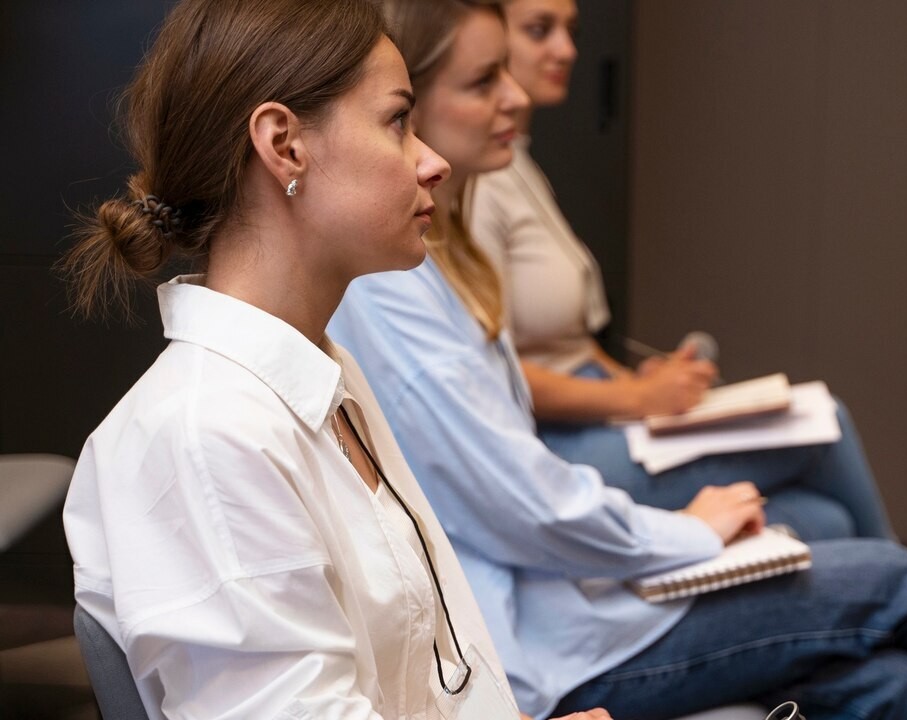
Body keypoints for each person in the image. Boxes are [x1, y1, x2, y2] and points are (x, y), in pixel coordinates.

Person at [328, 1, 907, 718]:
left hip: (561, 595)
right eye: (484, 80)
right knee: (896, 574)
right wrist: (687, 532)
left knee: (893, 681)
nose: (520, 95)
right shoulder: (390, 285)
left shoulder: (451, 247)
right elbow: (521, 503)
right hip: (537, 643)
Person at [58, 2, 609, 718]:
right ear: (284, 146)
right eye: (397, 122)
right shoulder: (204, 437)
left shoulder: (324, 373)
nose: (431, 160)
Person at [467, 0, 907, 634]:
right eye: (539, 31)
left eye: (571, 31)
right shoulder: (472, 188)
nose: (565, 50)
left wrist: (648, 385)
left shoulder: (520, 165)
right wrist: (639, 395)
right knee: (825, 421)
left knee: (826, 520)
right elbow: (498, 371)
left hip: (598, 408)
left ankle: (877, 612)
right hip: (558, 444)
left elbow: (569, 346)